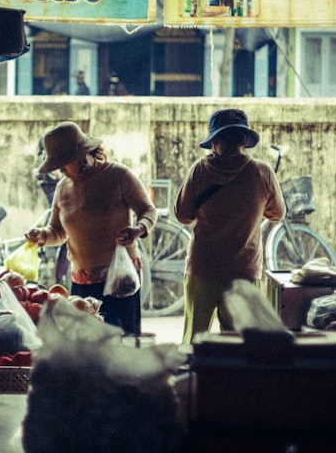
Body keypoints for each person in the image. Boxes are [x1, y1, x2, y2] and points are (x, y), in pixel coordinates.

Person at [25, 122, 157, 335]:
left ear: (83, 155)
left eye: (65, 164)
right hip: (81, 282)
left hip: (119, 279)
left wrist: (138, 230)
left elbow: (148, 210)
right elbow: (57, 231)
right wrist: (40, 236)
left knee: (121, 342)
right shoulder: (62, 188)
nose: (62, 171)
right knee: (86, 345)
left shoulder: (118, 175)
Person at [174, 109, 285, 343]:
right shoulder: (262, 172)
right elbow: (277, 214)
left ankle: (192, 380)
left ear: (214, 142)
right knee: (240, 347)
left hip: (202, 269)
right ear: (245, 140)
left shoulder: (199, 170)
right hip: (244, 271)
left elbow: (183, 215)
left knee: (193, 343)